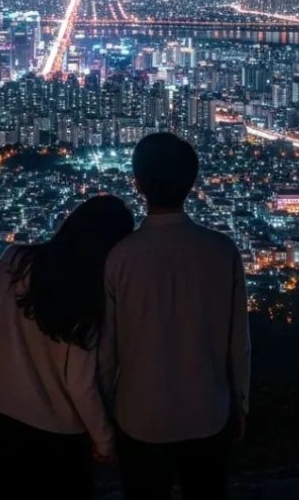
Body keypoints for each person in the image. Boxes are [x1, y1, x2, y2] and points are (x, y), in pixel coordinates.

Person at [100, 133, 251, 500]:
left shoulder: (121, 257)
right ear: (191, 182)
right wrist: (241, 405)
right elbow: (240, 345)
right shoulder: (221, 251)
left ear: (137, 184)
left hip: (139, 415)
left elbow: (107, 350)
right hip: (209, 412)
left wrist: (101, 416)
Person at [0, 193, 135, 500]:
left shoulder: (12, 262)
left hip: (1, 420)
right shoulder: (88, 295)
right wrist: (103, 439)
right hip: (59, 436)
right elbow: (81, 383)